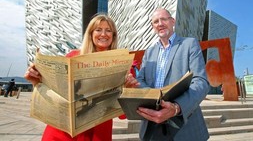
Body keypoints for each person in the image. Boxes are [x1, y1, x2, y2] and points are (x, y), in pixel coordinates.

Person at [24, 13, 119, 141]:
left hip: (98, 132)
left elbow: (123, 112)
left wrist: (128, 87)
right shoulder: (72, 57)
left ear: (113, 36)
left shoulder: (120, 63)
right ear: (90, 34)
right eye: (98, 29)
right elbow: (53, 90)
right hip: (64, 132)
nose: (103, 34)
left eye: (108, 30)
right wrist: (36, 80)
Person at [126, 8, 210, 141]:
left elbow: (201, 82)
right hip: (152, 127)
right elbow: (141, 79)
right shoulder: (149, 52)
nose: (160, 23)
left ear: (172, 21)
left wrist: (177, 107)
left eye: (164, 19)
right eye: (155, 21)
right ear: (153, 27)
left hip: (184, 127)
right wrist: (153, 97)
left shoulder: (189, 44)